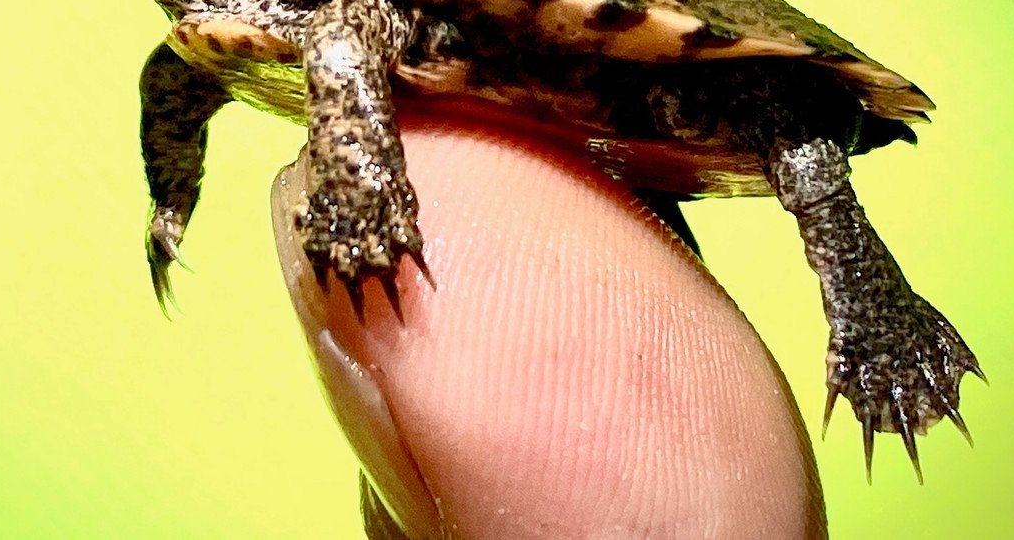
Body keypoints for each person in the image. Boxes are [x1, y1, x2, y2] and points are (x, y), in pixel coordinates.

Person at [272, 101, 827, 539]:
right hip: (585, 146)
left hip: (621, 59)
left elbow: (347, 25)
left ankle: (870, 306)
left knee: (780, 119)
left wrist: (359, 192)